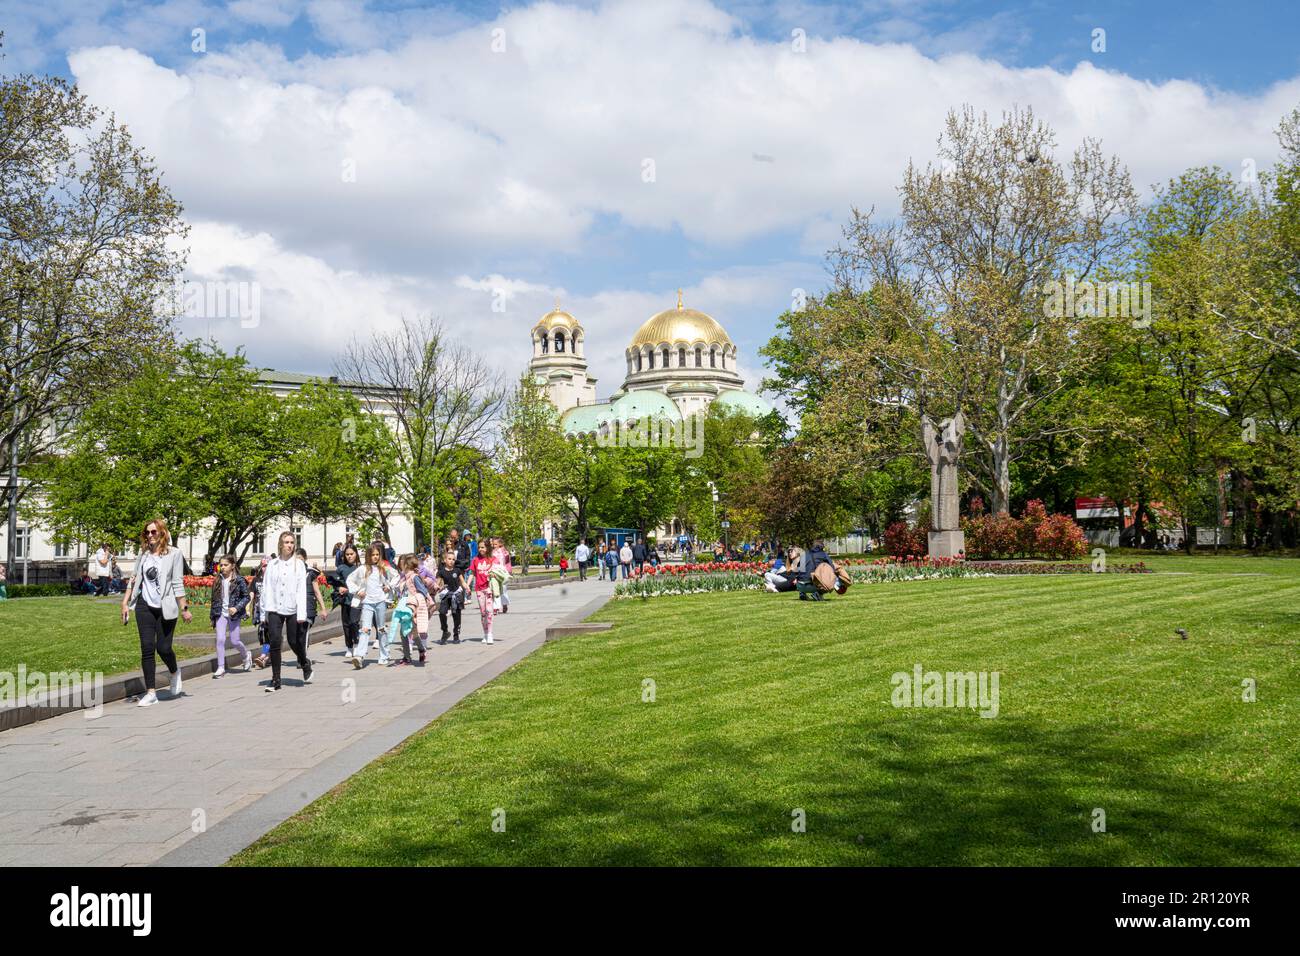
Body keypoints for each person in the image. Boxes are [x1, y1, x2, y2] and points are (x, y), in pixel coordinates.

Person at [121, 517, 192, 707]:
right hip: (144, 605)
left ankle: (174, 672)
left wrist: (184, 608)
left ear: (162, 532)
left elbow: (177, 582)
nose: (150, 535)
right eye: (147, 532)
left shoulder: (174, 554)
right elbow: (134, 579)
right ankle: (151, 693)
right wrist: (125, 603)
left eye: (153, 532)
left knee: (164, 648)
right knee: (146, 647)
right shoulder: (143, 554)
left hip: (165, 606)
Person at [260, 532, 313, 693]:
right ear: (281, 544)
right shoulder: (273, 564)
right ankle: (276, 679)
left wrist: (302, 614)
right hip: (275, 607)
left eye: (292, 542)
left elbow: (301, 590)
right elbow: (266, 588)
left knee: (293, 641)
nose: (289, 545)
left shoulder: (299, 564)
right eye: (286, 542)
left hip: (293, 608)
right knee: (275, 641)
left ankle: (304, 663)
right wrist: (264, 613)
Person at [347, 541, 399, 670]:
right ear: (368, 556)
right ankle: (359, 655)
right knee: (365, 629)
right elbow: (350, 580)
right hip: (367, 603)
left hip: (380, 601)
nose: (375, 557)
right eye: (373, 555)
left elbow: (396, 575)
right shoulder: (363, 569)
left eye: (377, 554)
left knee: (381, 628)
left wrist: (389, 586)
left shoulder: (384, 567)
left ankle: (384, 654)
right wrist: (358, 591)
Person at [210, 554, 252, 677]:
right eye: (221, 565)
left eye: (225, 565)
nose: (222, 567)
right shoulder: (218, 580)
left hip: (233, 614)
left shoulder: (239, 580)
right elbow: (214, 599)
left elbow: (247, 597)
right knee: (220, 640)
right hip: (220, 613)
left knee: (235, 641)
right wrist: (213, 616)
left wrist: (236, 608)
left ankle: (246, 655)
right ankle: (221, 667)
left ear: (232, 566)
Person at [296, 547, 331, 657]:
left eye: (300, 559)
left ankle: (302, 657)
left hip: (309, 606)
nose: (299, 562)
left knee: (304, 631)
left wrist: (323, 609)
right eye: (296, 560)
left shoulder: (311, 573)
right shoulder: (292, 574)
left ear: (305, 559)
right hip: (295, 607)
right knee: (297, 634)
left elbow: (317, 591)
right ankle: (301, 652)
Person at [331, 543, 362, 660]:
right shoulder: (341, 568)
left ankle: (357, 644)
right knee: (346, 624)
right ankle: (349, 647)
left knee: (354, 622)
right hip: (345, 600)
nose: (349, 556)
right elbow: (335, 584)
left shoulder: (360, 568)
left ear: (356, 554)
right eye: (347, 554)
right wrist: (339, 588)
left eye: (351, 554)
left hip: (357, 600)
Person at [434, 550, 467, 644]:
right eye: (449, 559)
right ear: (444, 560)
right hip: (446, 594)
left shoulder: (457, 570)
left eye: (453, 559)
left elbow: (462, 581)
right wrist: (437, 587)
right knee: (442, 613)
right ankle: (445, 631)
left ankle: (456, 634)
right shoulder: (441, 572)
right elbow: (437, 583)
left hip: (456, 594)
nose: (451, 561)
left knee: (457, 615)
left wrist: (467, 588)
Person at [470, 540, 497, 644]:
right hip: (479, 589)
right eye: (479, 547)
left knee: (489, 611)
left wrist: (494, 575)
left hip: (489, 588)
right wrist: (467, 585)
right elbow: (472, 574)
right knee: (483, 613)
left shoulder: (493, 559)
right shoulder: (475, 560)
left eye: (483, 547)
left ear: (487, 548)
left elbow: (498, 572)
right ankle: (485, 633)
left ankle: (490, 634)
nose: (480, 549)